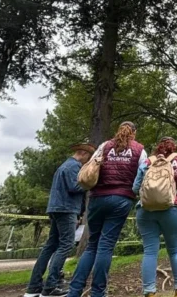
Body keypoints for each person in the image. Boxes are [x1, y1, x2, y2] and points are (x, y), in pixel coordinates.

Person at [67, 122, 147, 297]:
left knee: (92, 246)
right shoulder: (139, 150)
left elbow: (91, 166)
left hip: (97, 198)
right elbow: (143, 174)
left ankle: (73, 291)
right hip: (121, 199)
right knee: (106, 246)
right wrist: (133, 192)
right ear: (134, 132)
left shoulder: (105, 146)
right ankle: (98, 292)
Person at [24, 143, 95, 297]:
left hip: (57, 208)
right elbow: (74, 187)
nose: (86, 161)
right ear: (82, 153)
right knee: (66, 244)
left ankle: (34, 286)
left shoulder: (64, 166)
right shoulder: (73, 166)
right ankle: (51, 286)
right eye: (87, 158)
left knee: (50, 246)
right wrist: (90, 182)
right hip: (66, 208)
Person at [133, 137, 177, 297]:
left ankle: (149, 292)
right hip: (173, 207)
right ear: (174, 148)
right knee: (175, 250)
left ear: (157, 149)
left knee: (149, 252)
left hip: (146, 209)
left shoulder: (148, 162)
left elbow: (135, 187)